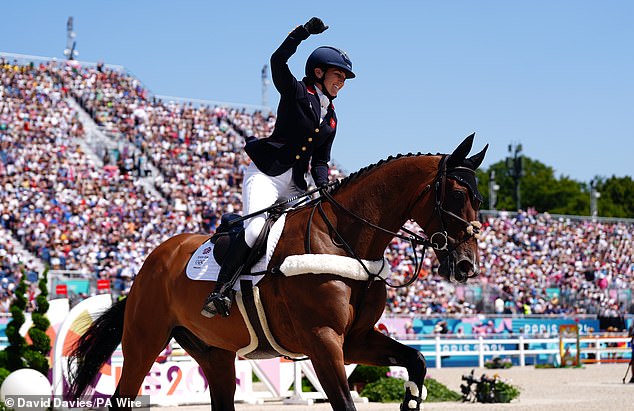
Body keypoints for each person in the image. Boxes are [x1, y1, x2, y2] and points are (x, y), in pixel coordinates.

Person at [201, 17, 356, 318]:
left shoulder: (332, 118)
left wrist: (324, 186)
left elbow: (321, 160)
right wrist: (303, 33)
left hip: (297, 183)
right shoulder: (297, 91)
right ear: (319, 72)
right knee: (256, 230)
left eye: (345, 78)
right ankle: (220, 291)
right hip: (266, 175)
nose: (341, 82)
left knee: (315, 230)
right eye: (338, 75)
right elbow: (277, 60)